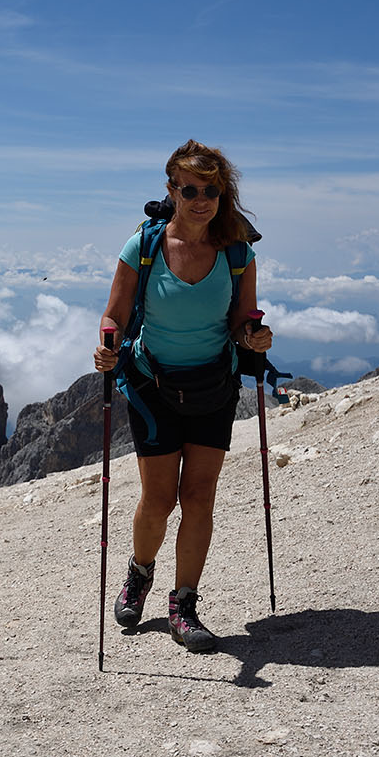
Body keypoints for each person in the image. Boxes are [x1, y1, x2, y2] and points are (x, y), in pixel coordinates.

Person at [94, 140, 273, 652]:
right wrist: (107, 345)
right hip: (153, 387)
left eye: (211, 190)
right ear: (171, 191)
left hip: (213, 387)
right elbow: (116, 314)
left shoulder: (238, 253)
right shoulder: (144, 246)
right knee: (158, 498)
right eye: (190, 189)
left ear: (223, 192)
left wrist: (254, 338)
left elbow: (243, 319)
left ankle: (184, 604)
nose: (201, 199)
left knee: (198, 496)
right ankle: (140, 572)